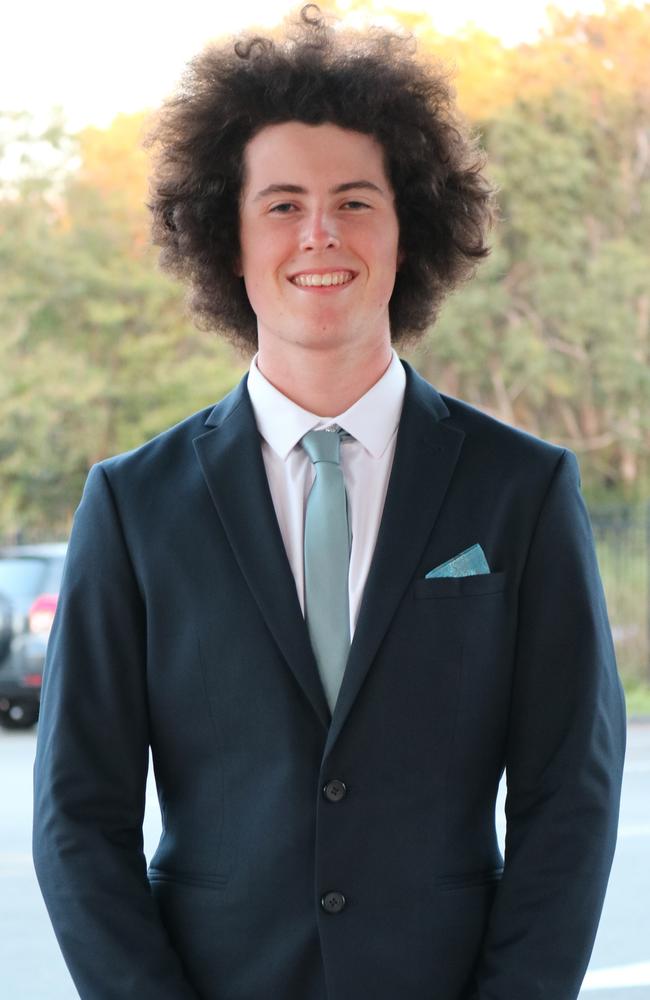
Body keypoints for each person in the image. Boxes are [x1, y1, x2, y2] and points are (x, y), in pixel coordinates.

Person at [33, 6, 626, 999]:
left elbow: (570, 796)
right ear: (226, 239)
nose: (319, 233)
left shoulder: (521, 490)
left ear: (409, 232)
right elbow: (76, 816)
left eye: (355, 201)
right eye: (280, 204)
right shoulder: (131, 504)